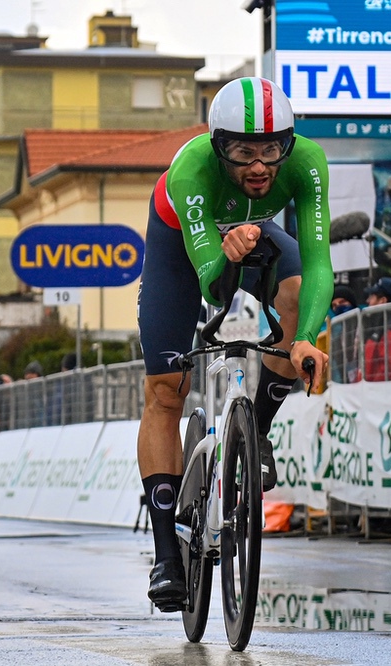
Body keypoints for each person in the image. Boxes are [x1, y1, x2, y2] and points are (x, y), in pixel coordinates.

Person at [136, 76, 332, 612]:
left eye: (272, 149)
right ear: (219, 145)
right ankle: (165, 554)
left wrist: (307, 339)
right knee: (166, 391)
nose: (259, 165)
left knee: (295, 302)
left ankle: (254, 437)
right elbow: (212, 286)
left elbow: (317, 264)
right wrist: (226, 254)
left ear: (288, 143)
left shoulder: (308, 160)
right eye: (242, 151)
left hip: (252, 234)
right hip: (186, 248)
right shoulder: (192, 168)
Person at [362, 276, 391, 381]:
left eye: (372, 297)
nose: (368, 301)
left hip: (380, 394)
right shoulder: (380, 326)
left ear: (382, 301)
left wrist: (370, 389)